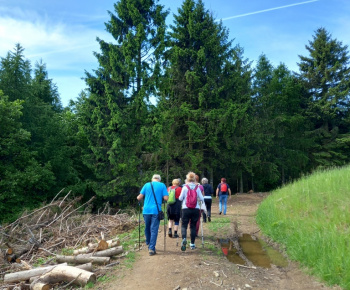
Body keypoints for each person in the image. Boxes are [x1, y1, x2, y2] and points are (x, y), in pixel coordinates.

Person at [137, 174, 168, 256]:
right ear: (159, 180)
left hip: (146, 210)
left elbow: (139, 197)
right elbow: (166, 198)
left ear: (152, 179)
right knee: (154, 229)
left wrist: (139, 198)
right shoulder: (162, 185)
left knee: (147, 227)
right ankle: (151, 248)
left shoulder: (147, 185)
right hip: (156, 210)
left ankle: (148, 242)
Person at [179, 172, 204, 251]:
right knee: (193, 226)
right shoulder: (198, 187)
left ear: (187, 179)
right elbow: (202, 198)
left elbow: (180, 198)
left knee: (184, 225)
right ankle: (192, 244)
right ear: (194, 179)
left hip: (185, 208)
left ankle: (184, 239)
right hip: (195, 209)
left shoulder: (185, 187)